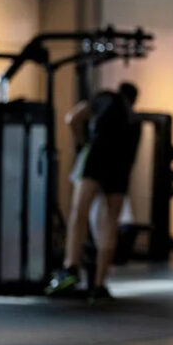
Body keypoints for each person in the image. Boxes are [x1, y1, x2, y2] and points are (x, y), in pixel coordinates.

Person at [45, 81, 141, 302]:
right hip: (120, 167)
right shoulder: (134, 119)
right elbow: (131, 160)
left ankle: (71, 267)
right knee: (110, 222)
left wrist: (83, 143)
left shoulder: (104, 97)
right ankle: (99, 285)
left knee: (79, 212)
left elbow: (72, 118)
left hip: (96, 156)